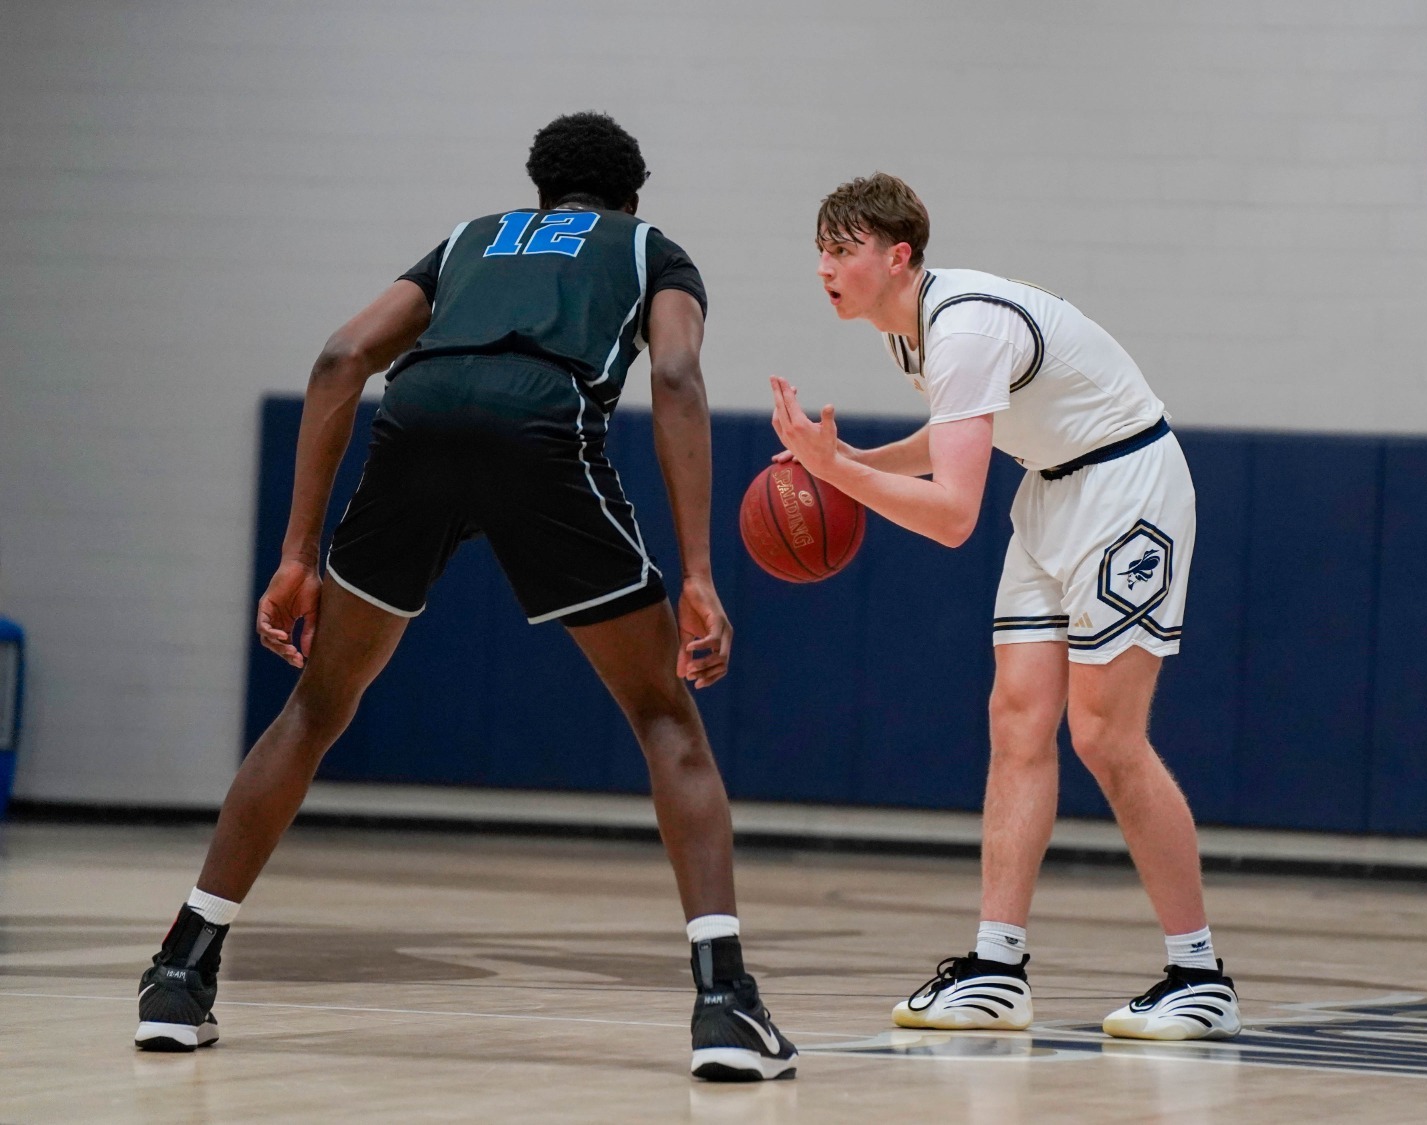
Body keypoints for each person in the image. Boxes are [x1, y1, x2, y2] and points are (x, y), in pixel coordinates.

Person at [134, 112, 798, 1082]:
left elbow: (338, 358)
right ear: (631, 196)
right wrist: (697, 574)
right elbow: (676, 371)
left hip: (416, 419)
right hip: (543, 430)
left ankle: (179, 975)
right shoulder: (649, 248)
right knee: (664, 716)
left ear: (540, 191)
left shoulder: (471, 240)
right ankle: (722, 1003)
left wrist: (296, 553)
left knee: (315, 708)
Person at [768, 173, 1239, 1040]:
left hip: (1126, 486)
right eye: (820, 253)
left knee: (1104, 734)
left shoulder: (963, 326)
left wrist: (838, 473)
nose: (826, 268)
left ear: (897, 255)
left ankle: (1201, 974)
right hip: (1054, 490)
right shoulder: (909, 334)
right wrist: (852, 455)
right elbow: (957, 433)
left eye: (843, 251)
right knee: (1016, 719)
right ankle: (996, 967)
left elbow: (952, 517)